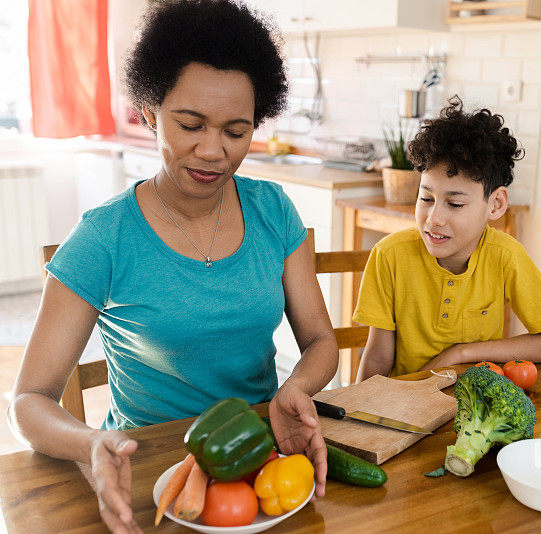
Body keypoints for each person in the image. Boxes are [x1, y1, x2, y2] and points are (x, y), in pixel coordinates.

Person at [8, 1, 338, 532]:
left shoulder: (273, 210)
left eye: (236, 131)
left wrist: (294, 389)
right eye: (190, 124)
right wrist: (91, 443)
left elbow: (321, 341)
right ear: (148, 108)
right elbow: (28, 399)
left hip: (257, 455)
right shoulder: (104, 237)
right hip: (145, 467)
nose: (213, 151)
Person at [354, 97, 541, 381]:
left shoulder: (505, 256)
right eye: (426, 198)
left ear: (495, 204)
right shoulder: (389, 255)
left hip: (474, 403)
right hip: (408, 405)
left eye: (455, 204)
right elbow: (378, 356)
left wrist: (461, 353)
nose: (434, 218)